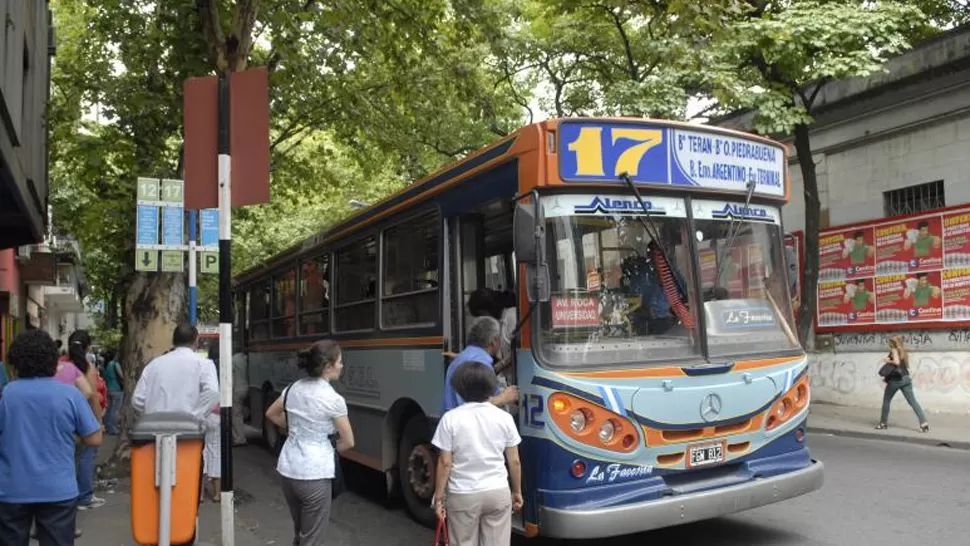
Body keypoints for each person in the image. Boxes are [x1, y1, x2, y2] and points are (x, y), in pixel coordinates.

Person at [0, 329, 102, 546]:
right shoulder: (70, 395)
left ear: (16, 361)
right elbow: (94, 439)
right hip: (58, 490)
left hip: (12, 489)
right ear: (52, 360)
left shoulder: (7, 394)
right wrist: (69, 436)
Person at [264, 340, 355, 546]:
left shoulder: (292, 388)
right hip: (315, 476)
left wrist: (295, 429)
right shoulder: (333, 399)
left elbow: (271, 413)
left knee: (301, 534)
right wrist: (330, 450)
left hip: (288, 472)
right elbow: (348, 441)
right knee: (312, 539)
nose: (342, 365)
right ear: (327, 367)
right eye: (339, 361)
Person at [432, 362, 523, 546]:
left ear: (459, 389)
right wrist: (517, 491)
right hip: (497, 492)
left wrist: (439, 496)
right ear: (491, 387)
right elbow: (514, 461)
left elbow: (445, 462)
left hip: (463, 495)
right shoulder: (504, 418)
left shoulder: (450, 419)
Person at [132, 324, 219, 421]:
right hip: (188, 428)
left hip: (155, 427)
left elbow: (137, 399)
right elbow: (212, 393)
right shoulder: (204, 364)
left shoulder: (153, 365)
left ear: (173, 341)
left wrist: (151, 413)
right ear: (196, 341)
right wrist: (195, 415)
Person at [59, 330, 105, 512]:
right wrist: (98, 422)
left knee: (67, 458)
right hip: (83, 419)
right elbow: (92, 396)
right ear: (86, 347)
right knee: (86, 456)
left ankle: (67, 497)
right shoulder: (87, 369)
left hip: (61, 419)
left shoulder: (57, 365)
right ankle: (84, 496)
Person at [441, 317, 518, 415]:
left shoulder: (462, 357)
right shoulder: (479, 363)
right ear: (493, 341)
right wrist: (503, 398)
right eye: (499, 339)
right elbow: (473, 408)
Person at [876, 336, 930, 432]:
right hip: (906, 379)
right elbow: (902, 364)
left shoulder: (894, 350)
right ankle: (924, 423)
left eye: (890, 342)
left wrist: (887, 360)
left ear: (893, 343)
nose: (888, 344)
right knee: (913, 402)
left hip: (896, 380)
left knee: (887, 400)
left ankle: (883, 423)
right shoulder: (903, 351)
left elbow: (896, 362)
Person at [202, 344, 222, 502]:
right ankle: (217, 493)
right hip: (218, 416)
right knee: (216, 453)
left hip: (204, 415)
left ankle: (200, 494)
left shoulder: (205, 369)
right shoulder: (225, 370)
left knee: (202, 452)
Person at [102, 351, 124, 435]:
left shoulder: (108, 364)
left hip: (109, 389)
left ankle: (107, 426)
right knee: (115, 410)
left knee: (109, 409)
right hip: (117, 389)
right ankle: (113, 429)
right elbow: (121, 375)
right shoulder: (116, 364)